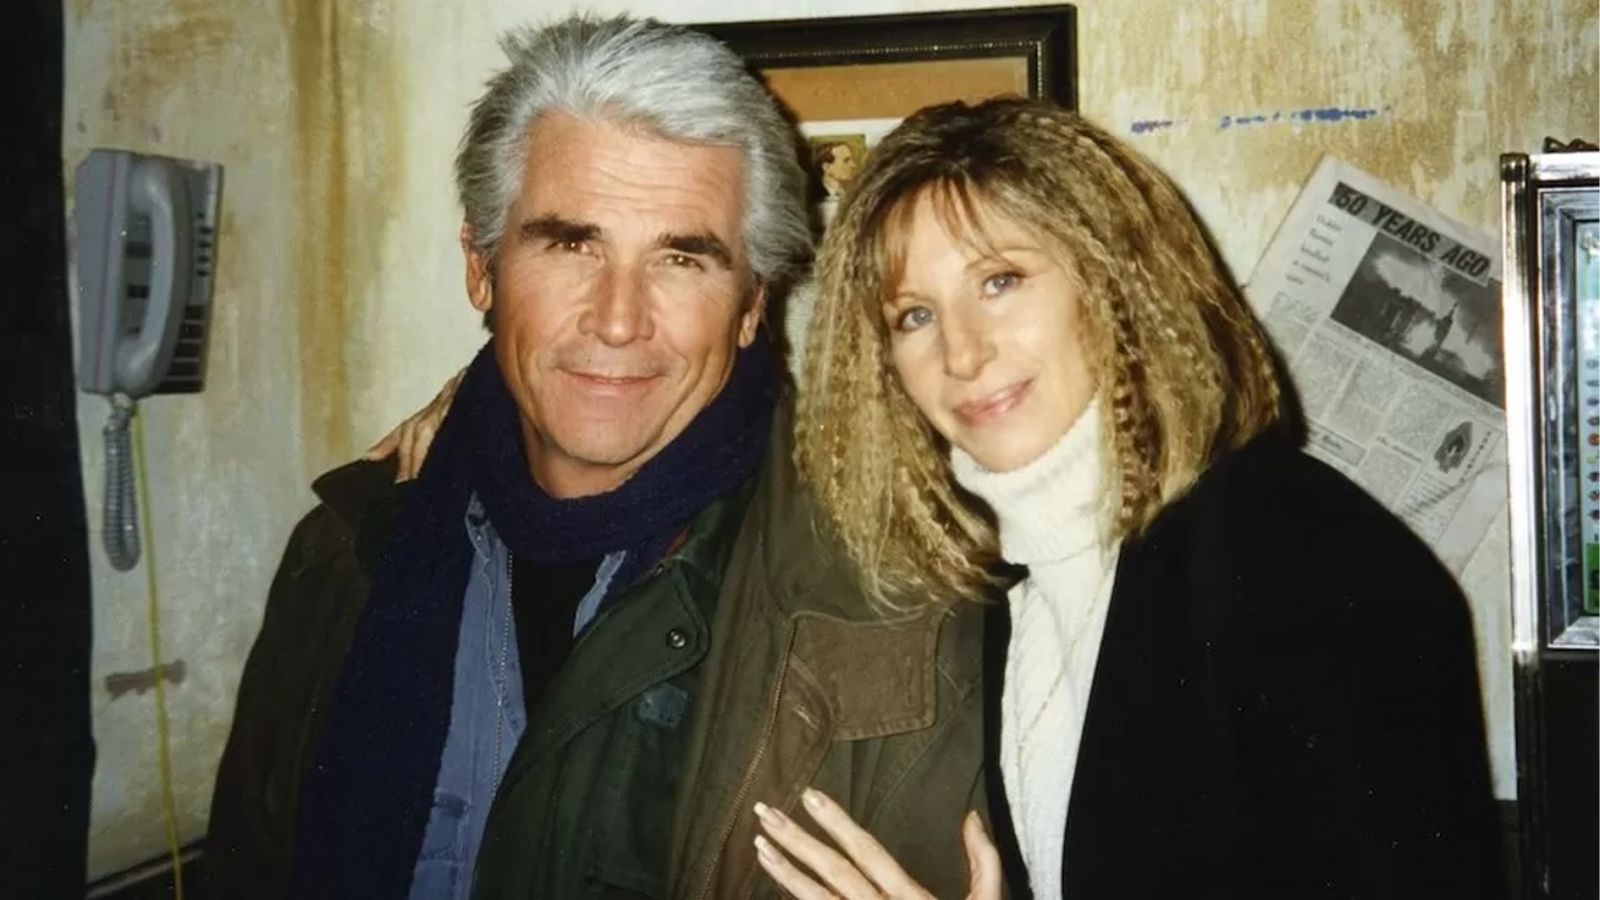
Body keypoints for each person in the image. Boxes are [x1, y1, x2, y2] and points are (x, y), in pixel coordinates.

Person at [204, 16, 994, 900]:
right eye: (572, 244)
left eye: (681, 258)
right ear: (481, 268)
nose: (618, 320)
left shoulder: (891, 625)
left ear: (750, 307)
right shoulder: (339, 557)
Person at [753, 98, 1506, 899]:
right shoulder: (1010, 587)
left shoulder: (1309, 562)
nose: (962, 353)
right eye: (914, 315)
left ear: (1112, 279)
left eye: (1000, 281)